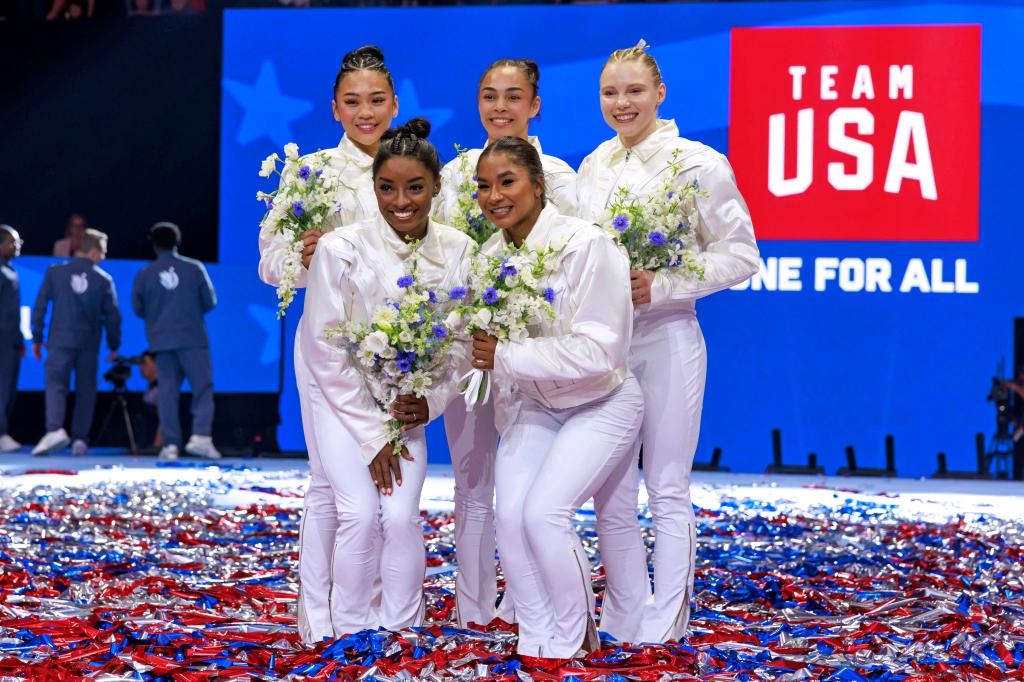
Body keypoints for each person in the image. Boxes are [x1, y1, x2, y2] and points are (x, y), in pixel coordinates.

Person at [576, 41, 760, 644]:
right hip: (605, 346)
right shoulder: (593, 165)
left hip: (668, 338)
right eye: (610, 92)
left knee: (668, 484)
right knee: (611, 488)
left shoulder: (698, 163)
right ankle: (625, 616)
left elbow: (741, 255)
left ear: (660, 93)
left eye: (634, 91)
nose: (622, 103)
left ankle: (666, 623)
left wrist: (664, 284)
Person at [299, 118, 474, 638]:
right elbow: (325, 346)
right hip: (342, 403)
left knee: (399, 518)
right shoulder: (340, 248)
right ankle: (349, 634)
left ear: (437, 186)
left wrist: (433, 399)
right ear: (372, 186)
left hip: (405, 407)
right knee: (356, 511)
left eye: (415, 187)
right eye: (387, 187)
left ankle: (400, 632)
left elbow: (462, 342)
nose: (401, 200)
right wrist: (372, 433)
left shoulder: (459, 248)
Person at [470, 137, 643, 658]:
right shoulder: (488, 258)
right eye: (483, 185)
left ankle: (572, 641)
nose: (494, 196)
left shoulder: (588, 244)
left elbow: (601, 351)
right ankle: (537, 639)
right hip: (534, 404)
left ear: (538, 185)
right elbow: (485, 355)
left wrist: (508, 354)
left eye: (507, 182)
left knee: (545, 512)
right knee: (512, 516)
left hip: (603, 401)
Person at [257, 45, 399, 644]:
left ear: (394, 104)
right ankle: (320, 618)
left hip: (399, 354)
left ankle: (375, 610)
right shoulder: (309, 172)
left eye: (375, 101)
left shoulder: (411, 167)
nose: (364, 112)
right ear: (334, 108)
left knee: (385, 495)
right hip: (327, 347)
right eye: (352, 102)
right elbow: (269, 261)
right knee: (330, 485)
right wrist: (302, 258)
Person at [431, 57, 578, 628]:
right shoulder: (454, 175)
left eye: (513, 97)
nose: (500, 107)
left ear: (535, 105)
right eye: (489, 95)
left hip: (534, 359)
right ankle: (473, 611)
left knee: (529, 491)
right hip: (466, 356)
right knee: (472, 486)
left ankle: (527, 606)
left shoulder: (560, 178)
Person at [132, 222, 219, 460]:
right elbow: (210, 302)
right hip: (192, 337)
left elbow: (138, 309)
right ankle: (201, 437)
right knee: (202, 387)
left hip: (161, 340)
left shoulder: (144, 274)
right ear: (177, 242)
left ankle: (170, 445)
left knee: (167, 392)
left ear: (154, 244)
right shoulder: (194, 268)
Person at [31, 228, 122, 456]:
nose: (104, 258)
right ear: (94, 252)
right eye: (103, 253)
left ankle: (55, 430)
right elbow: (112, 317)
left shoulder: (56, 272)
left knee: (56, 385)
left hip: (60, 339)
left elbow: (40, 307)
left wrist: (37, 337)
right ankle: (80, 439)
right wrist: (114, 344)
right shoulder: (103, 279)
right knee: (86, 390)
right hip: (88, 343)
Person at [0, 225, 25, 453]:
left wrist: (18, 337)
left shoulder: (9, 270)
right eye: (12, 241)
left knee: (7, 388)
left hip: (10, 340)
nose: (17, 245)